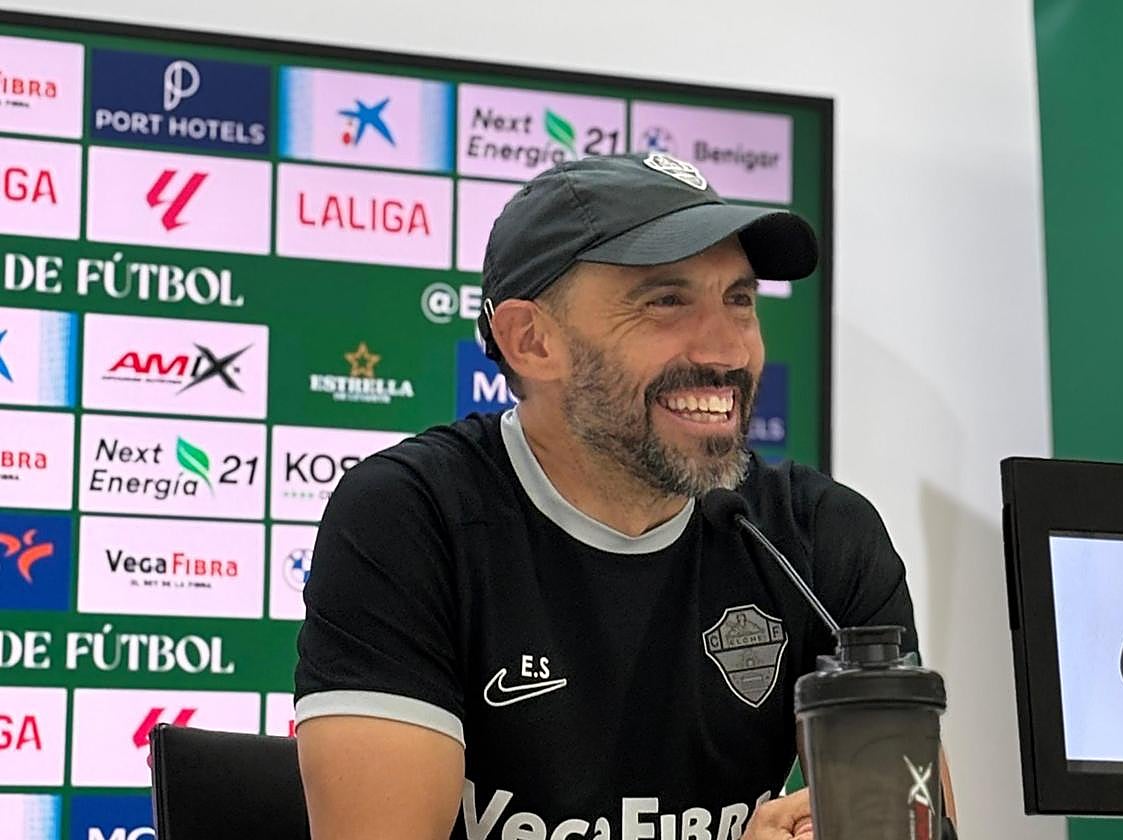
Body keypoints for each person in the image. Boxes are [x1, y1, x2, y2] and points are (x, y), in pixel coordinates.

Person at [294, 152, 955, 840]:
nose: (728, 351)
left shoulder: (819, 535)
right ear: (532, 340)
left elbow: (922, 823)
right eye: (667, 301)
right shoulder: (413, 519)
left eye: (739, 300)